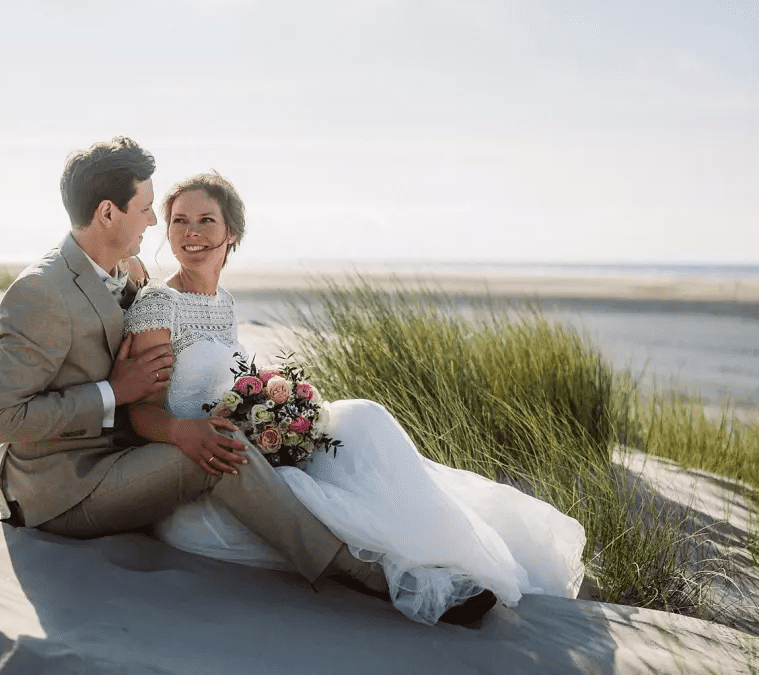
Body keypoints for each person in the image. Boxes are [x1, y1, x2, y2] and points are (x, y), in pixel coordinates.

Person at [123, 172, 587, 626]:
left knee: (361, 418)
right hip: (210, 471)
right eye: (180, 221)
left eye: (206, 220)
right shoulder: (159, 305)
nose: (192, 232)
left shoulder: (223, 301)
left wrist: (287, 419)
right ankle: (390, 576)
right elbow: (142, 410)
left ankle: (434, 556)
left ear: (232, 233)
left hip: (253, 450)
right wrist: (189, 431)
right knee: (325, 493)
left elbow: (231, 384)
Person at [0, 140, 405, 620]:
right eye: (145, 209)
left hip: (130, 454)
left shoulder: (125, 269)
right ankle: (352, 569)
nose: (152, 222)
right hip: (64, 488)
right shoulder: (40, 291)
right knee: (217, 453)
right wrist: (114, 393)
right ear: (106, 212)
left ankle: (386, 536)